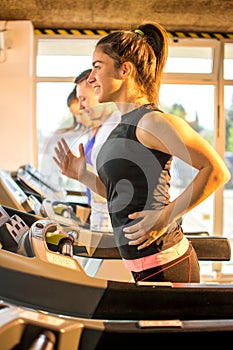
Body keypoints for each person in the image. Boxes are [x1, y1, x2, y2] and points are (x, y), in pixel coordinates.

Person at [53, 22, 231, 283]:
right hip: (141, 265)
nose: (91, 78)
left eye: (97, 67)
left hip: (167, 261)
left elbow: (217, 171)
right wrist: (83, 175)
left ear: (125, 69)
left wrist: (164, 217)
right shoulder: (121, 124)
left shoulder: (152, 122)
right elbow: (120, 193)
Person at [73, 69, 121, 232]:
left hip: (110, 221)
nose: (80, 106)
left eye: (83, 99)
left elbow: (116, 190)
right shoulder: (102, 127)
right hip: (100, 216)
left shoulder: (116, 128)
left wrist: (81, 174)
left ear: (97, 90)